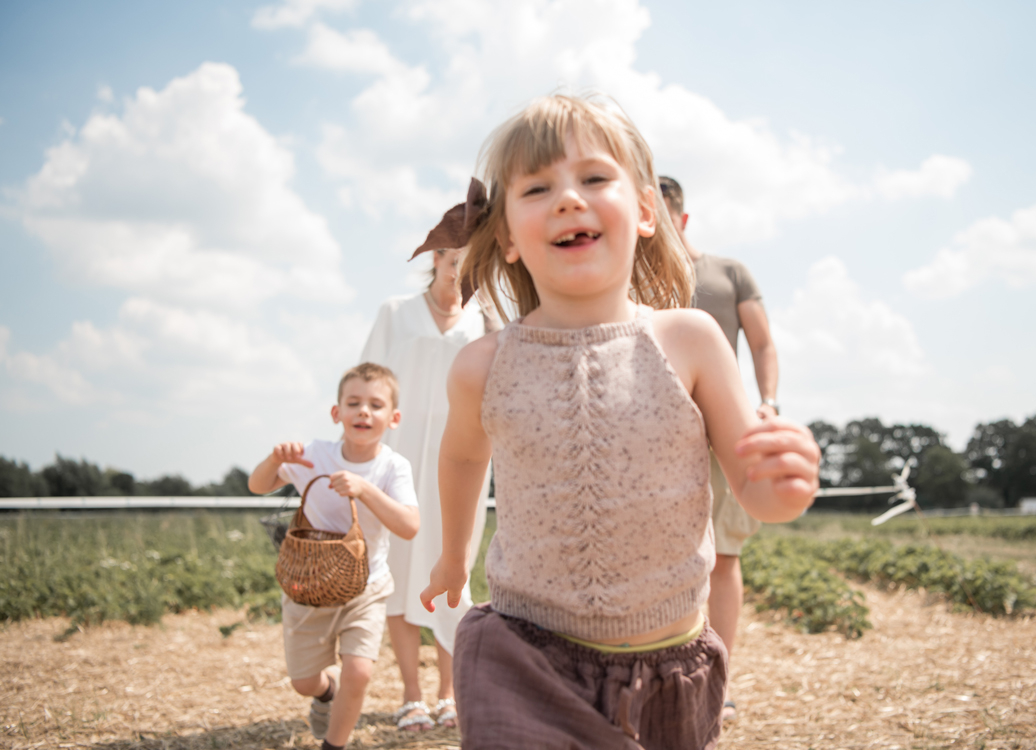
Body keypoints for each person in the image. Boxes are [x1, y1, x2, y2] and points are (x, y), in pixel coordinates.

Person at [419, 94, 821, 750]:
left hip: (670, 669)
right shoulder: (483, 366)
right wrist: (454, 554)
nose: (569, 199)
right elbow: (463, 457)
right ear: (509, 240)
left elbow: (750, 485)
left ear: (645, 211)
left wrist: (785, 486)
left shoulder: (688, 340)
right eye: (538, 188)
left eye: (595, 178)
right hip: (523, 655)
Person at [248, 363, 421, 750]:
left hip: (367, 586)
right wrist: (275, 460)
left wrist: (364, 489)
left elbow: (410, 525)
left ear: (393, 418)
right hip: (307, 587)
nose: (364, 411)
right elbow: (257, 486)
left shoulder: (393, 466)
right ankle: (326, 693)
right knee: (303, 682)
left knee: (359, 671)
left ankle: (334, 745)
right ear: (336, 413)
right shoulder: (315, 455)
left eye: (376, 405)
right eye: (354, 402)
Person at [359, 246, 496, 731]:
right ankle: (411, 695)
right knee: (399, 566)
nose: (456, 261)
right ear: (435, 255)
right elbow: (367, 382)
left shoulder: (488, 319)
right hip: (398, 456)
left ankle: (449, 693)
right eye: (449, 252)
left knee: (451, 561)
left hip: (462, 457)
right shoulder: (395, 312)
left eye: (467, 253)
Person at [659, 174, 779, 724]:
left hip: (722, 423)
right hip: (657, 430)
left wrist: (768, 402)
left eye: (661, 219)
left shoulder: (729, 273)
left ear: (680, 219)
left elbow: (762, 342)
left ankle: (718, 680)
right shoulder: (630, 275)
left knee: (724, 555)